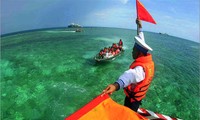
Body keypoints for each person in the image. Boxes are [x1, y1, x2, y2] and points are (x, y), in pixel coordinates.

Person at [102, 19, 155, 112]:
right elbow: (141, 38)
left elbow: (129, 76)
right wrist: (140, 26)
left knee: (128, 114)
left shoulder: (140, 69)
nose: (132, 51)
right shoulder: (148, 63)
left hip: (132, 101)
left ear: (139, 52)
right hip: (139, 96)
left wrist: (115, 86)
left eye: (133, 49)